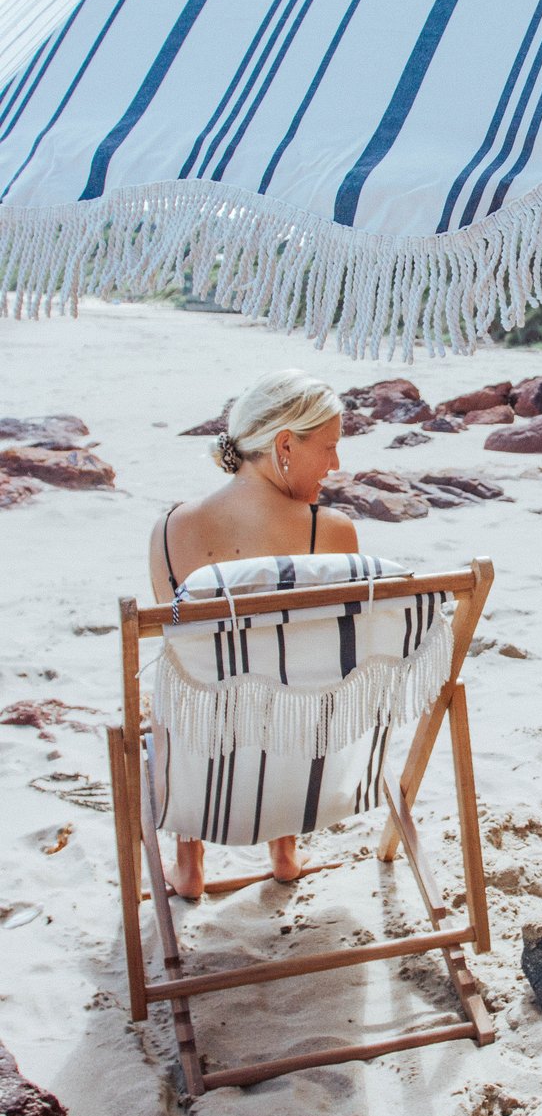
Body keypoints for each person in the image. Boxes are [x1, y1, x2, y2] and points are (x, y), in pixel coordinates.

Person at [149, 369, 358, 897]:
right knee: (294, 677)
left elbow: (180, 651)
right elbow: (322, 656)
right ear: (284, 444)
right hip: (298, 753)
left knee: (190, 679)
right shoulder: (331, 532)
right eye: (330, 447)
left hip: (205, 757)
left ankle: (188, 863)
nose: (336, 465)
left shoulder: (170, 530)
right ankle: (285, 852)